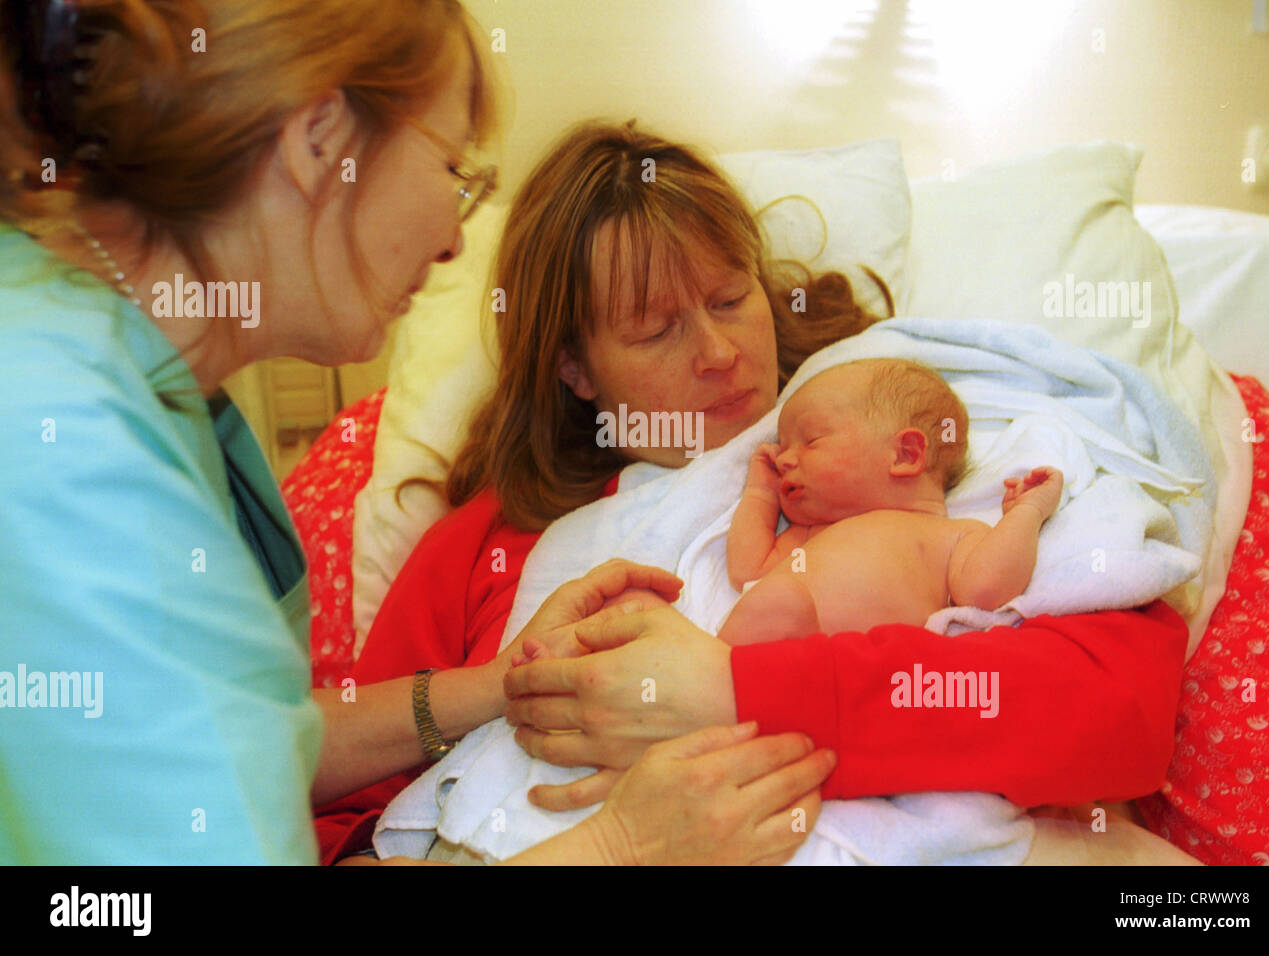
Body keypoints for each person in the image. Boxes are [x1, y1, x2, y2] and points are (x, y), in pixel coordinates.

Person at [0, 0, 830, 866]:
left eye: (732, 298)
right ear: (319, 141)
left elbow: (228, 735)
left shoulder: (153, 393)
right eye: (454, 172)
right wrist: (622, 847)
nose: (452, 238)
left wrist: (501, 687)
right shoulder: (67, 460)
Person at [317, 118, 1189, 861]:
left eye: (732, 298)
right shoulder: (489, 546)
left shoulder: (911, 442)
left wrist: (742, 695)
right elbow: (354, 823)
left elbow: (1119, 715)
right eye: (657, 329)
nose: (720, 353)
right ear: (574, 368)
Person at [718, 358, 1064, 644]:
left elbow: (987, 590)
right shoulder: (808, 537)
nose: (783, 460)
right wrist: (760, 492)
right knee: (777, 601)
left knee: (778, 601)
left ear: (904, 454)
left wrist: (1027, 513)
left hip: (880, 672)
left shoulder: (951, 535)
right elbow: (747, 570)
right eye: (783, 448)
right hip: (787, 662)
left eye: (810, 440)